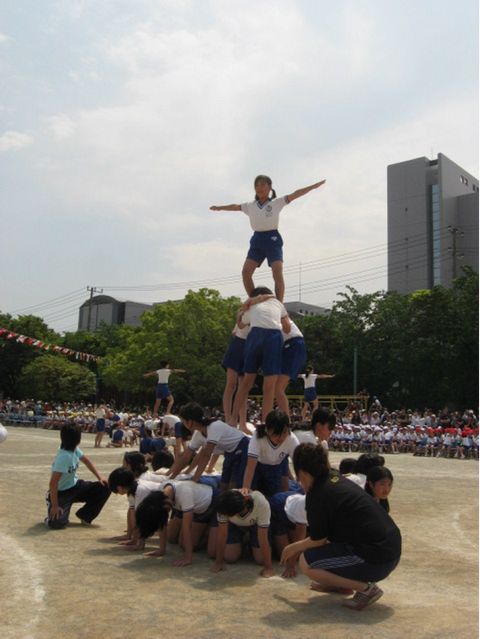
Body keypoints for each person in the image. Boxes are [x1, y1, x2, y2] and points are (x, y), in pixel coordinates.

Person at [281, 444, 401, 610]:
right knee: (327, 548)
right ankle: (340, 585)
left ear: (303, 473)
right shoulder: (335, 477)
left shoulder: (317, 494)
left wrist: (292, 547)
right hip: (390, 551)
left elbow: (318, 540)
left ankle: (367, 589)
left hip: (378, 559)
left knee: (307, 562)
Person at [210, 175, 326, 301]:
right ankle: (254, 300)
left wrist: (313, 187)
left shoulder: (276, 203)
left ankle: (279, 304)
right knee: (246, 272)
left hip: (272, 238)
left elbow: (295, 194)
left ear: (270, 187)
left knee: (277, 272)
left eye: (263, 184)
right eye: (257, 185)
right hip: (257, 240)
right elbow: (235, 206)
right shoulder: (250, 206)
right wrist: (220, 208)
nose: (259, 187)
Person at [229, 287, 291, 425]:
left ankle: (233, 419)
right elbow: (287, 328)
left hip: (255, 335)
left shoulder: (252, 306)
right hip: (274, 336)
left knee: (246, 382)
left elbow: (240, 325)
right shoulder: (278, 304)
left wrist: (245, 308)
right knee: (269, 386)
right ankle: (265, 424)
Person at [169, 402, 249, 490]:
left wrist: (195, 480)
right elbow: (186, 457)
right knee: (224, 486)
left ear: (190, 421)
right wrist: (171, 478)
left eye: (184, 421)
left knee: (233, 487)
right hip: (229, 453)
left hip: (243, 447)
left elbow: (206, 456)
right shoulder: (198, 434)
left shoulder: (213, 427)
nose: (183, 424)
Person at [45, 424, 110, 529]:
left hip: (75, 486)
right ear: (78, 439)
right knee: (57, 523)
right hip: (61, 493)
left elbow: (86, 461)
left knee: (105, 487)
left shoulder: (74, 448)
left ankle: (85, 516)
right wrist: (55, 506)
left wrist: (99, 477)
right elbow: (53, 483)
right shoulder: (63, 457)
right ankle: (50, 511)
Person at [208, 489, 273, 577]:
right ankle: (242, 542)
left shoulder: (261, 503)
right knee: (230, 557)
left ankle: (250, 542)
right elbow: (222, 534)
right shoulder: (224, 504)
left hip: (256, 525)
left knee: (260, 559)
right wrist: (218, 562)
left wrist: (268, 567)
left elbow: (263, 538)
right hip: (234, 525)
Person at [242, 410, 299, 497]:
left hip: (276, 467)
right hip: (257, 466)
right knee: (253, 494)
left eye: (284, 433)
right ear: (267, 430)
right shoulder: (258, 436)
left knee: (274, 497)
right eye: (276, 434)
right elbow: (250, 467)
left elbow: (299, 464)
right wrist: (245, 488)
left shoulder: (291, 438)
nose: (281, 438)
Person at [221, 321, 250, 432]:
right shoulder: (246, 312)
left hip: (250, 346)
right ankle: (228, 420)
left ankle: (243, 424)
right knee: (231, 384)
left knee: (244, 387)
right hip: (238, 344)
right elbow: (235, 331)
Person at [275, 319, 307, 417]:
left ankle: (286, 421)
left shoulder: (275, 314)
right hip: (294, 346)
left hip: (292, 345)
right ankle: (284, 418)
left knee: (277, 388)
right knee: (279, 389)